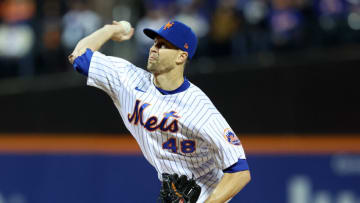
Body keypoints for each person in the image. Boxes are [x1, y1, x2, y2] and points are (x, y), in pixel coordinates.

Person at [68, 20, 251, 203]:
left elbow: (240, 172)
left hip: (208, 196)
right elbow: (79, 56)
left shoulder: (200, 110)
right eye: (154, 42)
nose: (154, 48)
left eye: (163, 45)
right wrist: (111, 30)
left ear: (181, 57)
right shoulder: (128, 79)